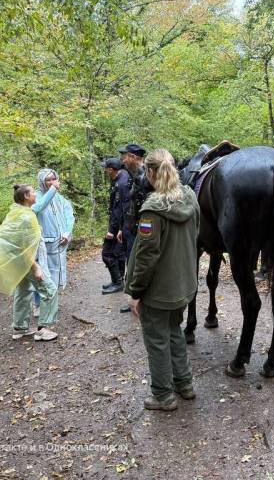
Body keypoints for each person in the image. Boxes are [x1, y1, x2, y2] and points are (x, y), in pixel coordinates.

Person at [124, 149, 200, 410]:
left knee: (157, 340)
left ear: (151, 172)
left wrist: (135, 291)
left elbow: (147, 256)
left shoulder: (152, 211)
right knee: (174, 331)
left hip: (159, 291)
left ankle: (162, 395)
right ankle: (184, 384)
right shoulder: (190, 197)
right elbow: (196, 235)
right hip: (183, 286)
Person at [10, 184, 59, 341]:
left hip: (20, 263)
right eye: (32, 193)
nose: (35, 195)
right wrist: (36, 268)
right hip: (30, 261)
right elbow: (24, 246)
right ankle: (43, 329)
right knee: (50, 290)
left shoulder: (18, 212)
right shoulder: (26, 217)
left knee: (23, 292)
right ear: (26, 196)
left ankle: (20, 327)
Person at [33, 169, 75, 311]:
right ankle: (38, 305)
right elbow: (38, 207)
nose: (51, 182)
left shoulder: (60, 198)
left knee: (56, 271)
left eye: (53, 179)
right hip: (43, 244)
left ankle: (51, 302)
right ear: (41, 181)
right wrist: (52, 191)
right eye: (48, 180)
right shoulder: (35, 196)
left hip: (60, 243)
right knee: (42, 275)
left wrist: (66, 233)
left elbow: (69, 215)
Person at [117, 143, 147, 312]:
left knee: (140, 263)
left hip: (143, 231)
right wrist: (124, 227)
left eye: (126, 156)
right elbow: (130, 205)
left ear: (135, 158)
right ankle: (135, 297)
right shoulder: (133, 175)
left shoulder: (145, 176)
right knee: (133, 262)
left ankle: (140, 300)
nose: (123, 159)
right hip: (132, 228)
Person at [101, 157, 129, 294]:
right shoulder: (120, 178)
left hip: (120, 227)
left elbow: (119, 210)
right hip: (121, 226)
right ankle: (117, 281)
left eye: (106, 168)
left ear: (111, 169)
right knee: (118, 255)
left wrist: (113, 230)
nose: (105, 171)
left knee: (107, 253)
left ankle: (118, 283)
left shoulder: (121, 184)